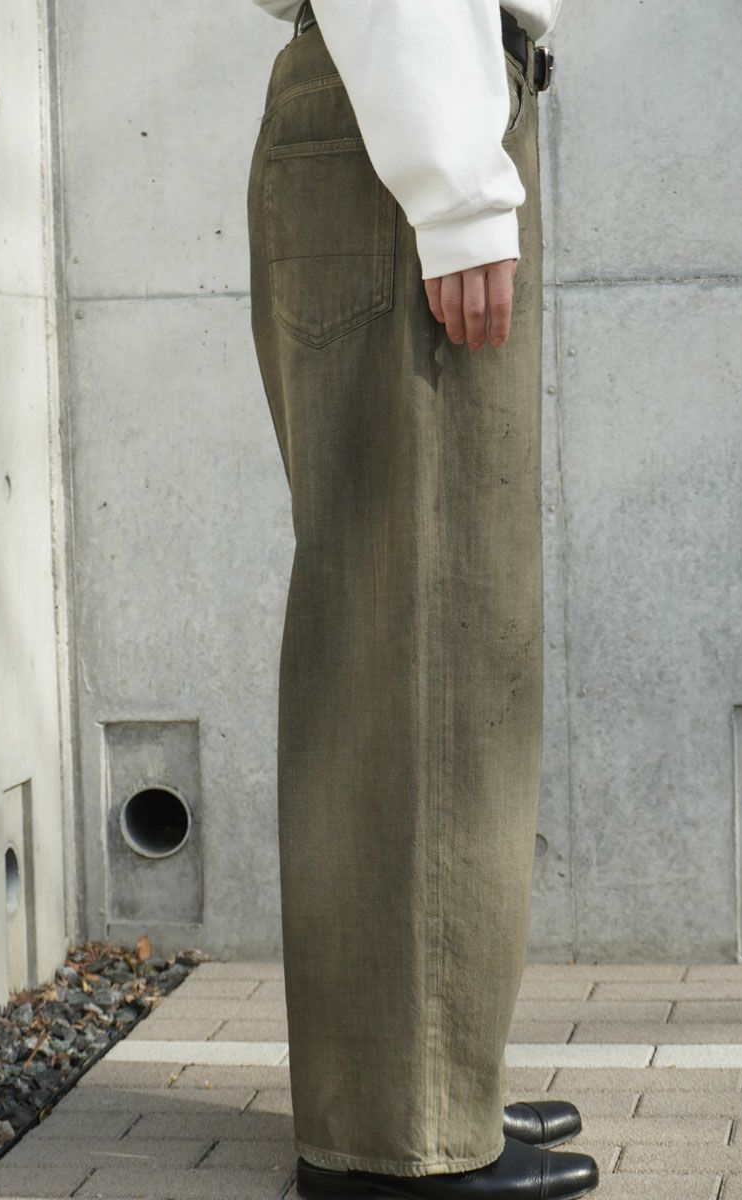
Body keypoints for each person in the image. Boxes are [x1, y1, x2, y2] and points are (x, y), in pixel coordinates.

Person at [246, 1, 599, 1197]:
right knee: (424, 637)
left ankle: (428, 1091)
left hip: (392, 105)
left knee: (418, 625)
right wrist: (457, 191)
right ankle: (402, 1144)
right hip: (403, 112)